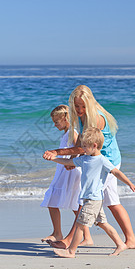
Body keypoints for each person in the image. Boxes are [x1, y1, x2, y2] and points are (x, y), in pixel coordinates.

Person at [43, 85, 135, 250]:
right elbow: (81, 147)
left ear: (90, 104)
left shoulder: (97, 118)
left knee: (87, 200)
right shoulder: (81, 117)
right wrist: (73, 159)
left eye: (83, 106)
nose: (79, 109)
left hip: (105, 162)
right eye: (77, 106)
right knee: (111, 202)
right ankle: (131, 240)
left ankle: (68, 241)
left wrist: (56, 152)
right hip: (97, 160)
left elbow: (82, 147)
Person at [47, 127, 135, 258]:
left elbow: (116, 172)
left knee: (80, 224)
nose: (82, 149)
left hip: (94, 200)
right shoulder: (84, 159)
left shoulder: (102, 160)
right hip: (88, 198)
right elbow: (68, 161)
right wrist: (53, 158)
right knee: (102, 223)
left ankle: (71, 251)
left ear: (94, 146)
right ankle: (120, 244)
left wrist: (130, 184)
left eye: (84, 146)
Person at [40, 105, 93, 245]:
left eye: (57, 122)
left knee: (54, 199)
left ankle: (59, 233)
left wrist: (72, 161)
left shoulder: (73, 132)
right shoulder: (67, 133)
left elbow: (79, 149)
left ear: (65, 118)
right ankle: (84, 237)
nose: (54, 125)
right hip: (64, 170)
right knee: (74, 205)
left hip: (70, 172)